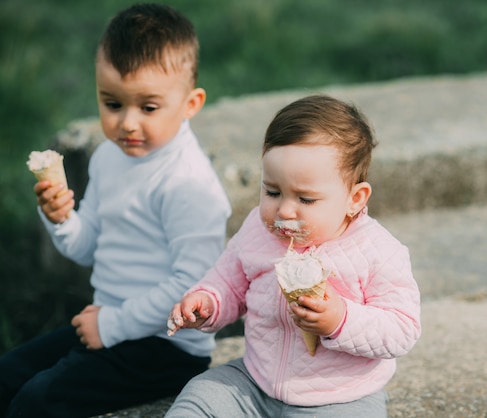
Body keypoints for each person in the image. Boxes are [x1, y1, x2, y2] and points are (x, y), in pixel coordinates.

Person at [0, 4, 231, 417]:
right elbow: (89, 247)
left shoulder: (189, 185)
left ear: (191, 103)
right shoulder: (109, 158)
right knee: (7, 374)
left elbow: (190, 291)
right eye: (112, 103)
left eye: (148, 107)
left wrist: (111, 326)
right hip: (109, 323)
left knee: (38, 402)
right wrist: (61, 220)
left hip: (167, 348)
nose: (127, 123)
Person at [165, 94, 421, 417]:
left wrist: (339, 320)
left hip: (341, 395)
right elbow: (228, 282)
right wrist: (207, 301)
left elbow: (402, 328)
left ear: (354, 198)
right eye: (272, 191)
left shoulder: (377, 252)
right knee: (200, 396)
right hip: (256, 381)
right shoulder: (258, 231)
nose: (284, 210)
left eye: (306, 199)